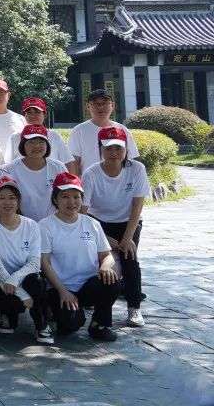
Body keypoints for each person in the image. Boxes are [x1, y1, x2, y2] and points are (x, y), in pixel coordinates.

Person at [40, 172, 122, 341]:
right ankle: (63, 314)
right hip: (60, 288)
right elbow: (45, 263)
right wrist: (62, 291)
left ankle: (99, 324)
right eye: (65, 197)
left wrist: (106, 266)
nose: (72, 202)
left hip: (88, 285)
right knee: (70, 326)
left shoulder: (91, 223)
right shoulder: (45, 226)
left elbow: (106, 255)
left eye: (76, 197)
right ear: (55, 199)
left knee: (112, 281)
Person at [82, 126, 150, 327]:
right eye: (109, 148)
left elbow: (137, 204)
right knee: (97, 261)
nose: (114, 153)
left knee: (129, 258)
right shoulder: (92, 173)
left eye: (119, 148)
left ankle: (134, 308)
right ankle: (92, 299)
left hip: (127, 222)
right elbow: (83, 210)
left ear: (126, 149)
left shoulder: (137, 169)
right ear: (100, 150)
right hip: (98, 222)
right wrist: (102, 237)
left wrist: (128, 238)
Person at [0, 176, 52, 343]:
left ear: (19, 200)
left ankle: (42, 324)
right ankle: (9, 316)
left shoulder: (31, 225)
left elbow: (34, 263)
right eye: (1, 198)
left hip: (23, 277)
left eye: (12, 198)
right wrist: (23, 295)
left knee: (37, 282)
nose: (7, 202)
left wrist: (16, 280)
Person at [66, 89, 139, 174]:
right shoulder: (79, 131)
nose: (100, 107)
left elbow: (131, 160)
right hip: (90, 184)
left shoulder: (122, 130)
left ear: (112, 105)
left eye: (104, 103)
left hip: (119, 183)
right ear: (88, 106)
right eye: (96, 104)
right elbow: (74, 163)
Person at [6, 124, 69, 222]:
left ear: (47, 145)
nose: (36, 146)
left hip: (53, 225)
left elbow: (66, 197)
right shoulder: (10, 169)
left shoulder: (58, 167)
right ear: (23, 145)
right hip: (22, 226)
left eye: (41, 142)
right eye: (31, 142)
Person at [9, 97, 69, 173]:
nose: (33, 115)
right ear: (25, 115)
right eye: (29, 112)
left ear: (44, 114)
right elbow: (8, 164)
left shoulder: (54, 136)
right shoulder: (15, 137)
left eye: (37, 112)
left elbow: (68, 162)